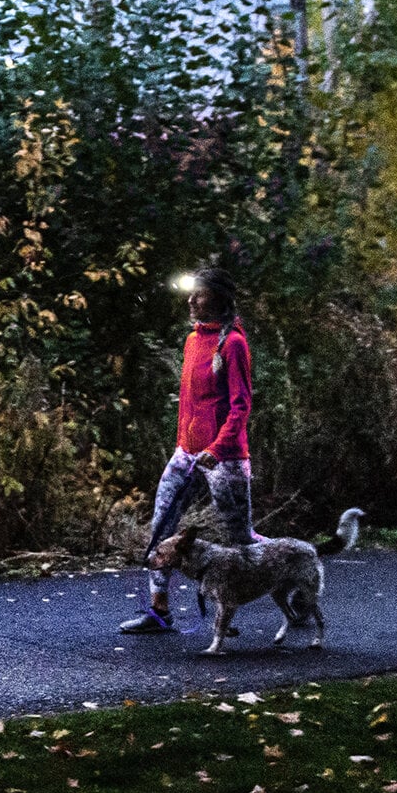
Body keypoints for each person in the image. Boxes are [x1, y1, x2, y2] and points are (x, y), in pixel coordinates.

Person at [120, 266, 256, 634]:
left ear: (219, 299)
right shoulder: (193, 340)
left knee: (242, 540)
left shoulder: (233, 344)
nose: (192, 300)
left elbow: (241, 405)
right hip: (186, 453)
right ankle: (159, 611)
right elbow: (190, 402)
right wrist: (185, 443)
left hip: (224, 457)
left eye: (200, 294)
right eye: (191, 293)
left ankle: (292, 568)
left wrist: (217, 447)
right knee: (161, 526)